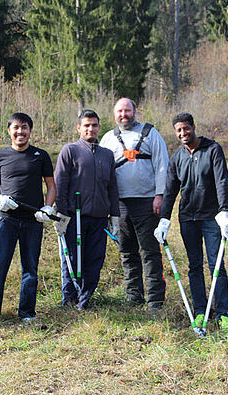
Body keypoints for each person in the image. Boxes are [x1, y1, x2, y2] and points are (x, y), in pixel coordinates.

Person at [154, 112, 228, 329]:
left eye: (186, 128)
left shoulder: (212, 150)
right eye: (178, 130)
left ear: (193, 127)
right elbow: (170, 191)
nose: (183, 133)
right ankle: (200, 311)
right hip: (188, 219)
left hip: (211, 218)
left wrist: (224, 210)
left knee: (216, 264)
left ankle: (223, 313)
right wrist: (164, 220)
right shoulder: (177, 158)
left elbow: (222, 181)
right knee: (194, 266)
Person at [0, 112, 56, 324]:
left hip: (33, 220)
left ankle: (27, 313)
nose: (20, 132)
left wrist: (47, 208)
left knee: (30, 268)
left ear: (30, 130)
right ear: (9, 130)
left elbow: (51, 186)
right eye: (16, 127)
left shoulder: (41, 156)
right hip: (6, 219)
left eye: (24, 127)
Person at [99, 98, 169, 312]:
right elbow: (101, 172)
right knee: (127, 252)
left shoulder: (150, 134)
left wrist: (160, 195)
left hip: (147, 202)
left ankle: (155, 299)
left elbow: (162, 165)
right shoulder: (108, 139)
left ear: (134, 111)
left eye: (127, 110)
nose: (124, 114)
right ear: (114, 114)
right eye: (120, 111)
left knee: (150, 251)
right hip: (119, 205)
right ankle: (134, 295)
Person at [54, 109, 120, 310]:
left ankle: (86, 298)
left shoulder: (107, 155)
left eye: (94, 125)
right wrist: (61, 213)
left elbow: (113, 188)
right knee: (72, 258)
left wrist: (115, 215)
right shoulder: (70, 151)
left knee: (95, 259)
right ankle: (70, 299)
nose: (90, 129)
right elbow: (60, 183)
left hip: (99, 217)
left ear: (99, 127)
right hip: (75, 217)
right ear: (79, 128)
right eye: (86, 125)